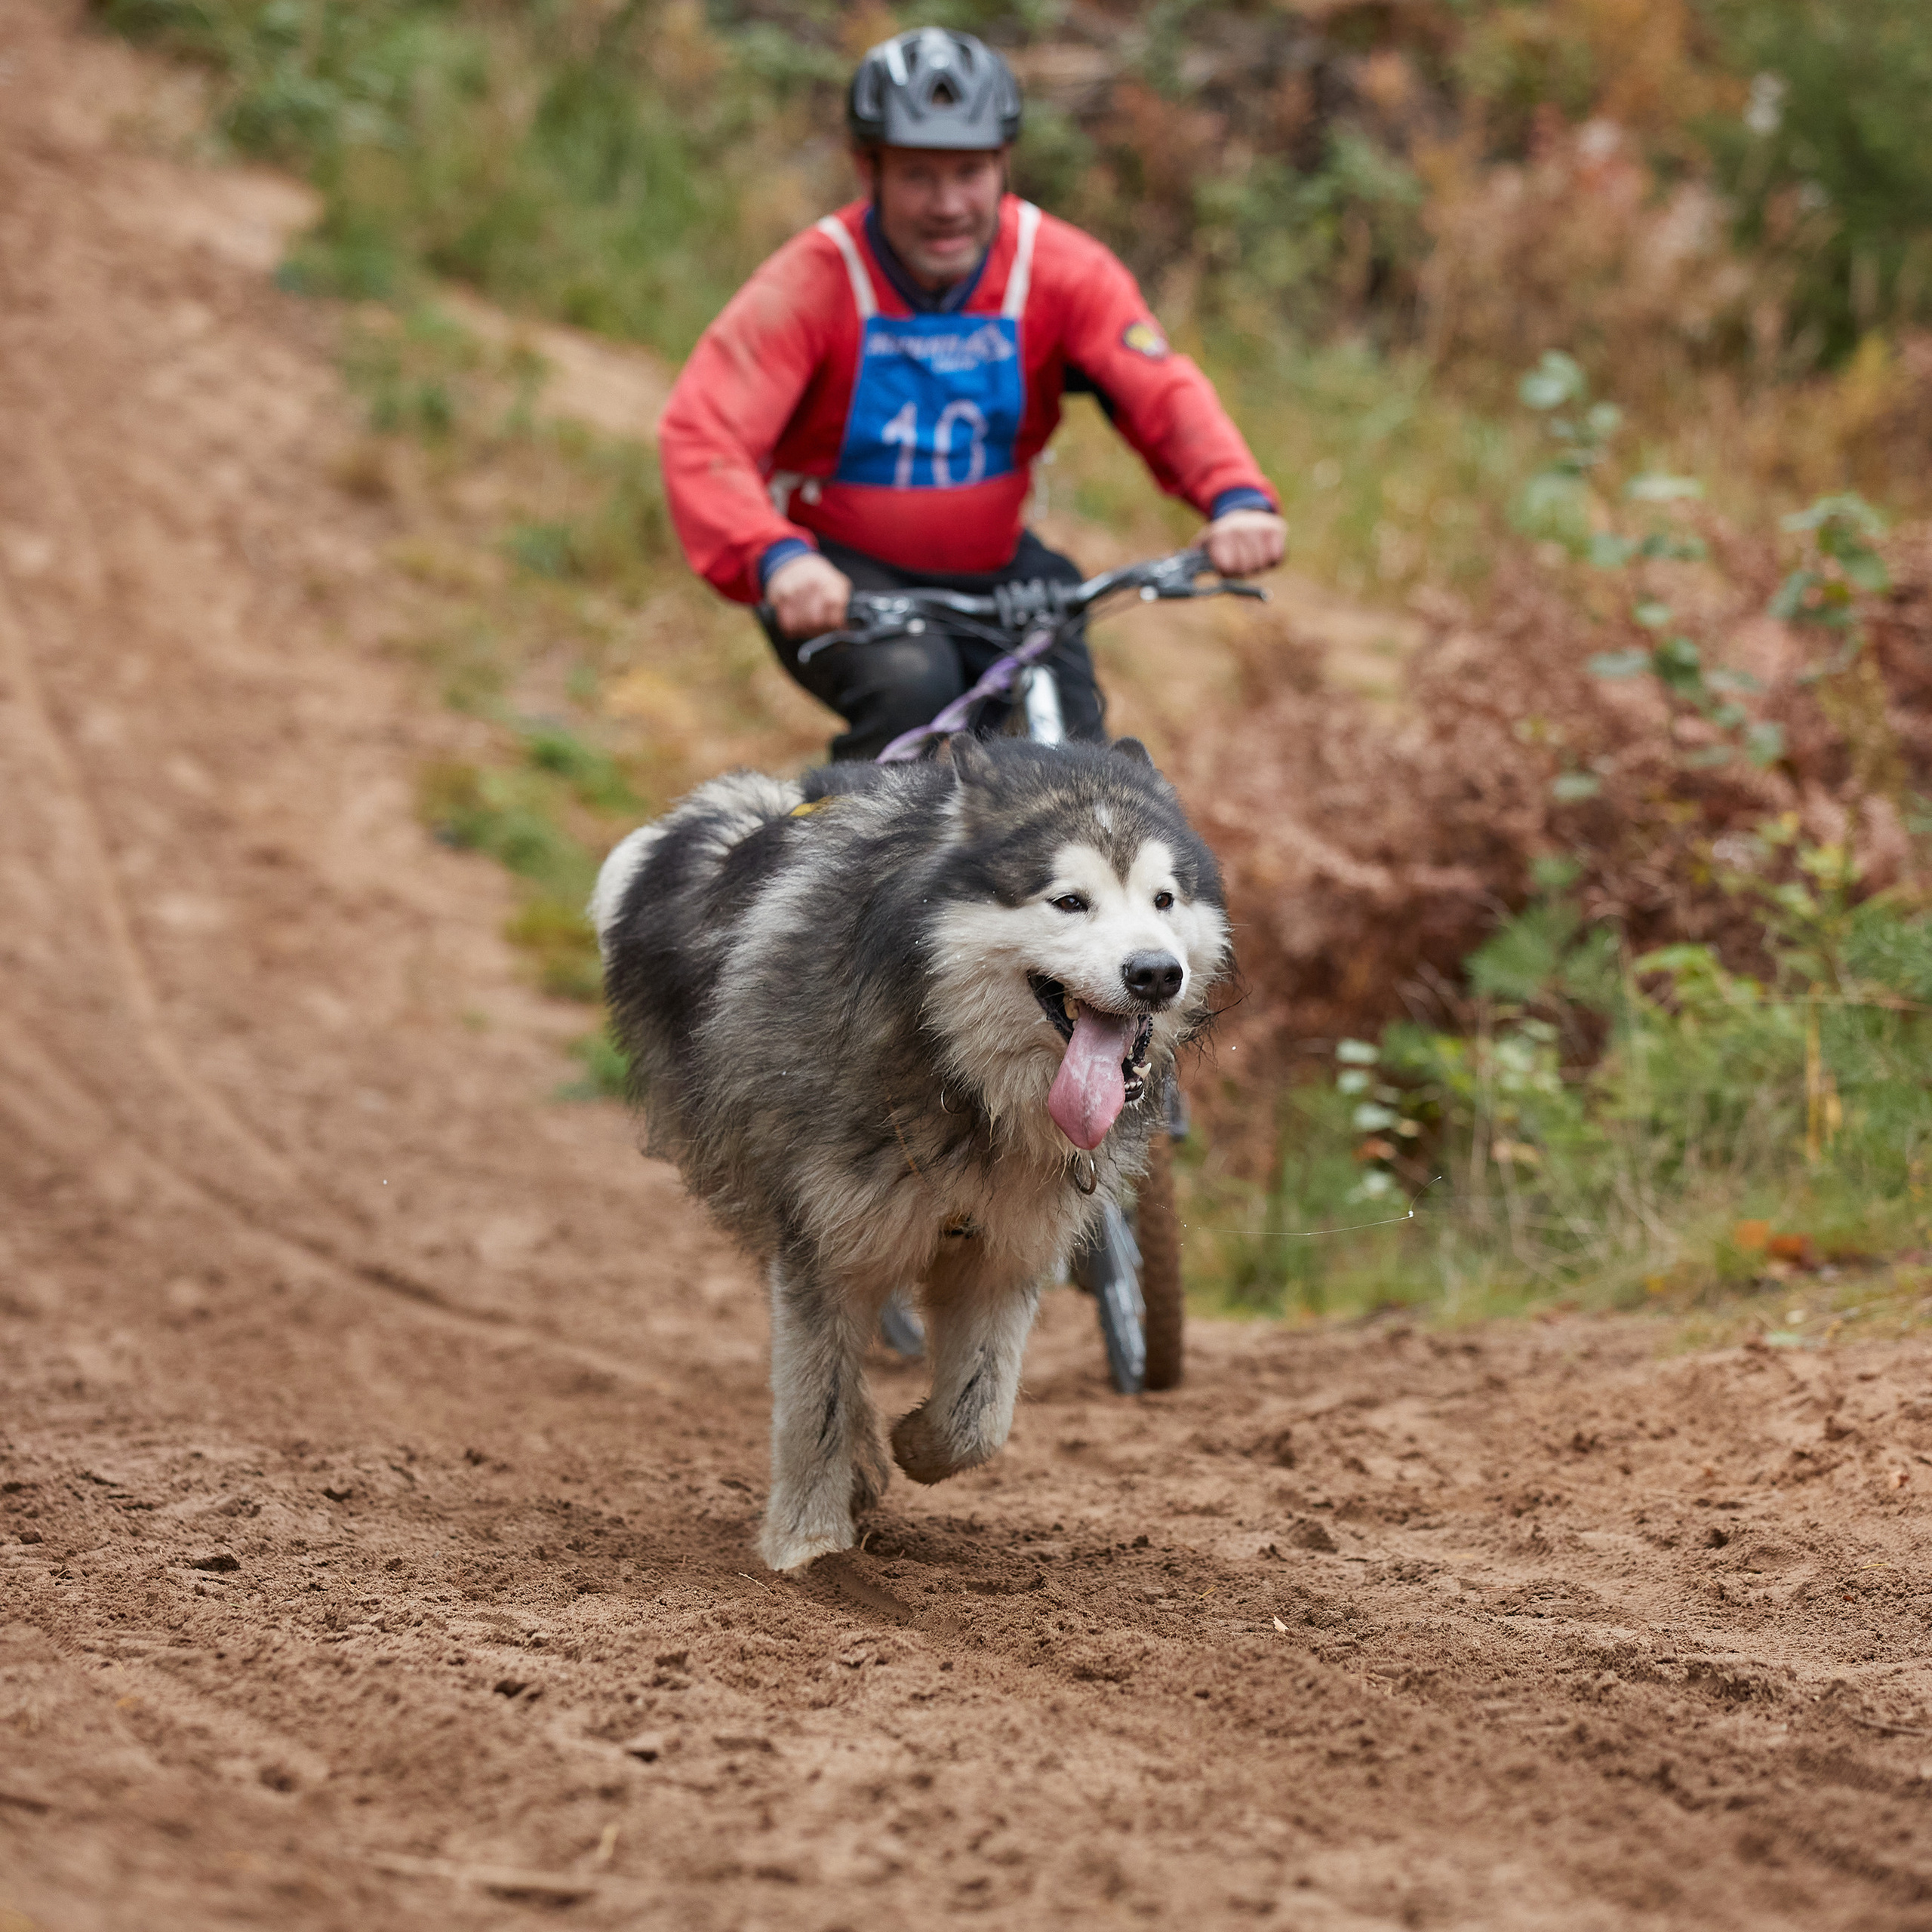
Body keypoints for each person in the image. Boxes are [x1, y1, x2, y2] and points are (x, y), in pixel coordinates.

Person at [657, 25, 1287, 762]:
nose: (948, 203)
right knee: (911, 692)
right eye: (919, 176)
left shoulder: (1059, 271)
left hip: (998, 572)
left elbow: (1158, 391)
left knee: (1070, 747)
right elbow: (703, 434)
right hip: (839, 572)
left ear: (1003, 165)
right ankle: (839, 874)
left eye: (969, 172)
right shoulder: (810, 283)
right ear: (870, 170)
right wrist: (776, 559)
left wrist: (1235, 496)